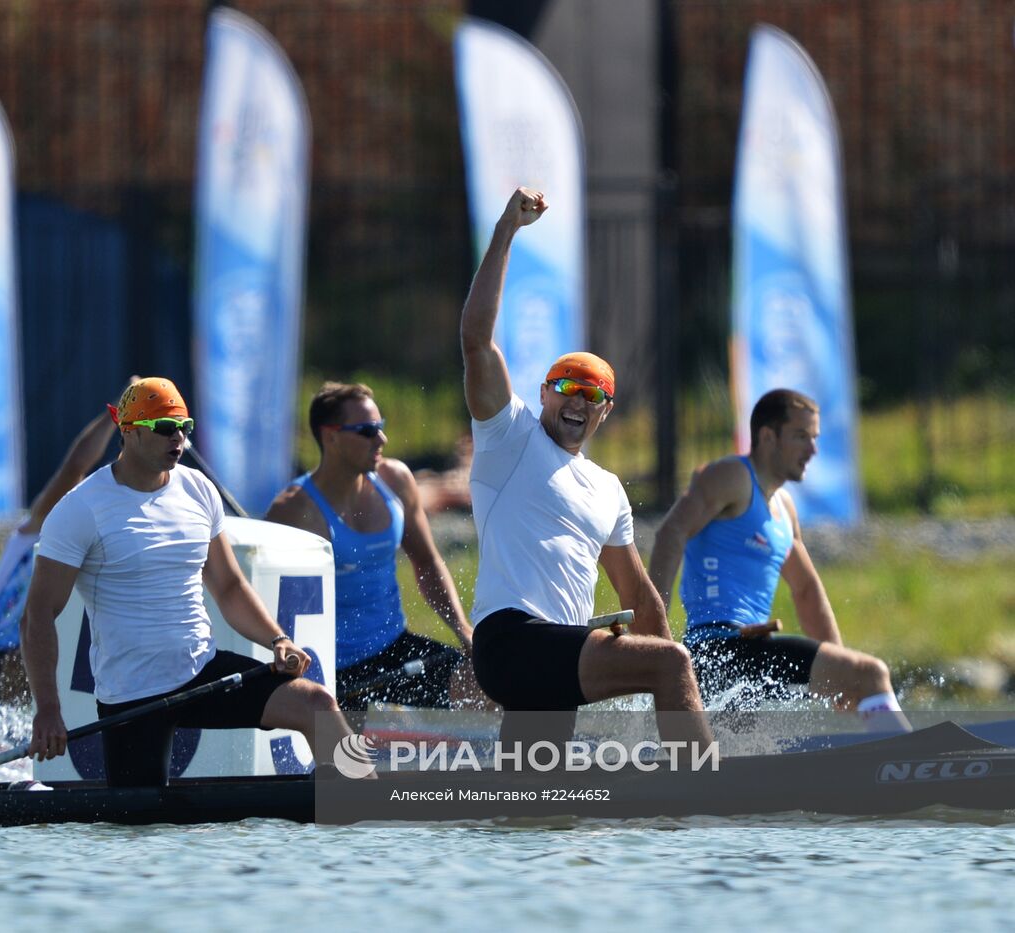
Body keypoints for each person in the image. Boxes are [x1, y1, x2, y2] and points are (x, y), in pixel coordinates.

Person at [460, 187, 712, 751]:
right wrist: (506, 230)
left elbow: (639, 596)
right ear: (543, 394)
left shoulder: (606, 489)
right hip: (510, 642)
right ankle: (706, 788)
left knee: (535, 806)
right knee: (670, 662)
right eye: (565, 388)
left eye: (591, 394)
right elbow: (476, 341)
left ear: (606, 411)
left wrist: (674, 691)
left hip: (559, 655)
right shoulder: (510, 437)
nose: (577, 401)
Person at [21, 377, 352, 786]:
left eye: (184, 427)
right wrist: (48, 709)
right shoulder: (80, 509)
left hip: (203, 672)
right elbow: (38, 614)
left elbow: (229, 587)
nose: (177, 438)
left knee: (316, 703)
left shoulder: (198, 490)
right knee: (139, 833)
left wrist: (277, 640)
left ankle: (362, 803)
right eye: (164, 428)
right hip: (132, 695)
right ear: (128, 431)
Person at [647, 388, 911, 732]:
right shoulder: (731, 477)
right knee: (870, 674)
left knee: (738, 756)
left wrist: (835, 669)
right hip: (718, 650)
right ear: (768, 436)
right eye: (801, 436)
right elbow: (671, 533)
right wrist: (654, 632)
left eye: (814, 438)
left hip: (747, 657)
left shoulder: (784, 508)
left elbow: (806, 589)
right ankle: (906, 769)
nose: (813, 450)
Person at [266, 382, 478, 710]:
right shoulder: (293, 511)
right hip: (331, 668)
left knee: (486, 687)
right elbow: (267, 600)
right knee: (354, 760)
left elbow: (427, 562)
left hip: (393, 648)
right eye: (367, 431)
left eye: (381, 427)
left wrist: (463, 630)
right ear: (331, 436)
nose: (382, 439)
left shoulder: (395, 480)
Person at [0, 405, 118, 703]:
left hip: (28, 658)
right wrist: (116, 415)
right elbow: (75, 466)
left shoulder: (98, 551)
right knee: (25, 654)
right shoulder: (38, 528)